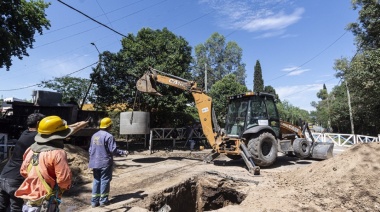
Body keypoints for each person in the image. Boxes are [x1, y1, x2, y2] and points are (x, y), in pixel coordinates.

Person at [15, 115, 87, 212]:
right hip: (46, 202)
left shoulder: (30, 149)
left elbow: (23, 171)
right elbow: (64, 181)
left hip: (29, 201)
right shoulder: (58, 153)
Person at [0, 113, 45, 212]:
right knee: (16, 208)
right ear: (38, 123)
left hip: (4, 175)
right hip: (15, 179)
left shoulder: (25, 133)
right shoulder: (37, 137)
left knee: (2, 207)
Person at [89, 117, 128, 208]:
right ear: (109, 126)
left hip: (94, 162)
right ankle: (103, 200)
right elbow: (113, 150)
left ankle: (94, 202)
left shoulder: (94, 135)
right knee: (105, 180)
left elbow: (90, 150)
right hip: (104, 163)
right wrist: (123, 152)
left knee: (96, 180)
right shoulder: (109, 136)